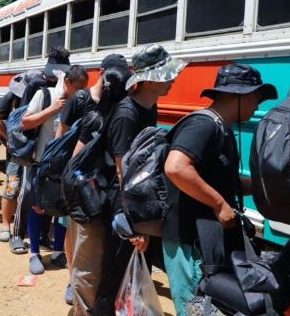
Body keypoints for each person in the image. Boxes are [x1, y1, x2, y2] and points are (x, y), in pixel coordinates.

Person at [144, 63, 276, 316]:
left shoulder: (220, 128)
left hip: (205, 239)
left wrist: (264, 185)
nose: (257, 106)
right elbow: (176, 167)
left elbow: (223, 180)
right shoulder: (203, 125)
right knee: (195, 309)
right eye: (256, 98)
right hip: (189, 239)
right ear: (239, 95)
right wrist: (219, 204)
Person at [92, 44, 186, 316]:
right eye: (167, 75)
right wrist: (135, 224)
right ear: (149, 79)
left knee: (127, 273)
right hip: (126, 203)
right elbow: (123, 172)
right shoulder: (127, 113)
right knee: (113, 274)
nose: (172, 79)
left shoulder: (148, 106)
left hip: (139, 201)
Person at [61, 55, 131, 312]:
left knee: (91, 264)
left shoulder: (111, 116)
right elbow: (74, 161)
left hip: (96, 200)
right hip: (89, 200)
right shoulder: (99, 116)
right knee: (89, 264)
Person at [22, 50, 88, 275]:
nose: (81, 92)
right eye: (78, 87)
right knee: (37, 207)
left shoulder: (81, 102)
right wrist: (53, 109)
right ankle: (34, 252)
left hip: (67, 167)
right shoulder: (45, 95)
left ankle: (59, 251)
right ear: (67, 82)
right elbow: (26, 123)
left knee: (63, 210)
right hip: (42, 163)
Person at [0, 69, 43, 248]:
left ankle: (28, 225)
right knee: (13, 186)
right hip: (17, 154)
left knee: (31, 190)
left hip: (36, 151)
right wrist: (9, 139)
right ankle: (6, 224)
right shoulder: (12, 96)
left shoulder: (45, 97)